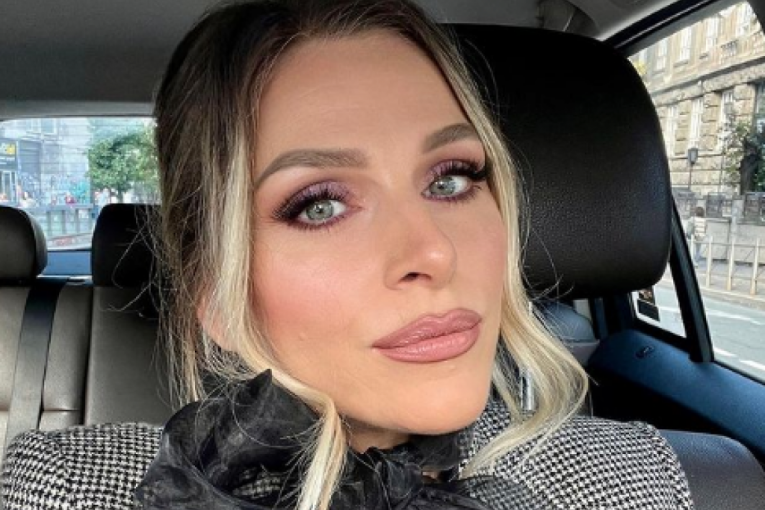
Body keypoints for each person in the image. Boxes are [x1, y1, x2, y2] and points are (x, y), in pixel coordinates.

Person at [1, 1, 694, 509]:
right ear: (216, 293)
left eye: (451, 180)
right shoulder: (65, 489)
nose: (433, 251)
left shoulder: (633, 479)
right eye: (320, 205)